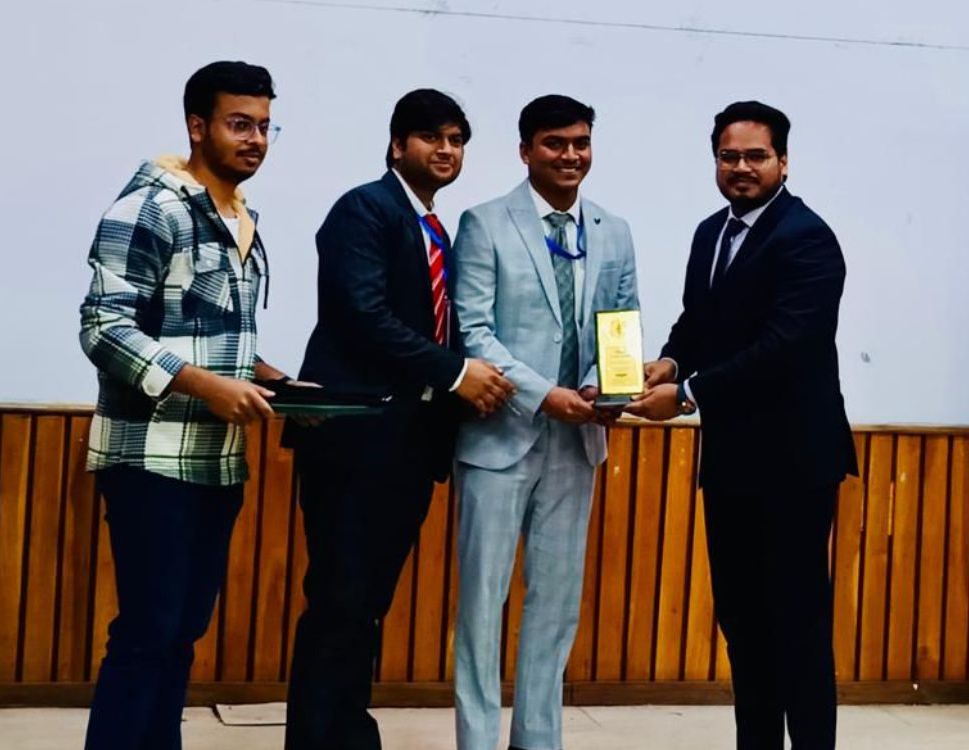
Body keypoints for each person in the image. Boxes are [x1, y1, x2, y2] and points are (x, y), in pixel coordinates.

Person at [280, 89, 515, 750]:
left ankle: (348, 733)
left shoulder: (434, 228)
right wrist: (458, 372)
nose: (446, 150)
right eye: (431, 137)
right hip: (355, 438)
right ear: (396, 145)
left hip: (407, 445)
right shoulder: (365, 209)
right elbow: (365, 316)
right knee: (340, 601)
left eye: (456, 140)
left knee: (366, 605)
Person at [627, 100, 858, 750]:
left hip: (794, 464)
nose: (742, 167)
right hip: (731, 462)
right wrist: (671, 361)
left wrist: (688, 393)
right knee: (743, 624)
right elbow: (698, 322)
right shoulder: (711, 232)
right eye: (729, 156)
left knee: (797, 627)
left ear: (783, 161)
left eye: (757, 156)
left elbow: (786, 345)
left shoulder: (807, 237)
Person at [78, 61, 289, 749]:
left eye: (265, 126)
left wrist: (276, 382)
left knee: (181, 633)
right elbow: (103, 328)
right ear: (198, 127)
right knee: (148, 632)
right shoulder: (150, 208)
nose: (255, 140)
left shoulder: (239, 219)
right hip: (148, 457)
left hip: (216, 463)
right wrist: (207, 386)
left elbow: (204, 333)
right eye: (239, 124)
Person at [452, 94, 638, 750]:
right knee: (482, 606)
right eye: (555, 143)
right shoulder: (484, 223)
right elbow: (474, 332)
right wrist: (543, 394)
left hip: (579, 439)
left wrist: (608, 386)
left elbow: (620, 323)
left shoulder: (613, 230)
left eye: (581, 143)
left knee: (556, 605)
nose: (570, 155)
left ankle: (537, 738)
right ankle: (478, 739)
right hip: (499, 437)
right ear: (526, 150)